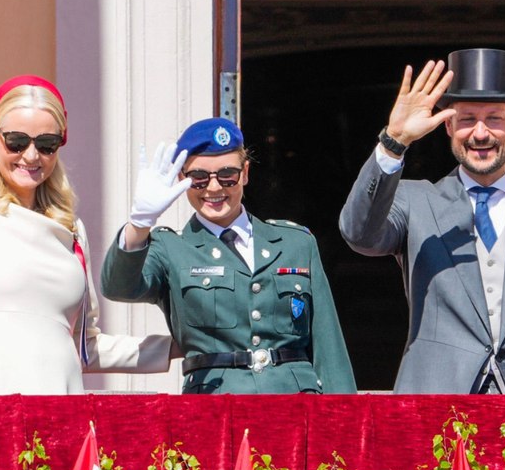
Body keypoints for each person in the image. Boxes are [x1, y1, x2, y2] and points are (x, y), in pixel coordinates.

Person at [339, 48, 505, 393]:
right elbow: (360, 233)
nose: (480, 133)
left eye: (494, 118)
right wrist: (394, 142)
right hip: (435, 406)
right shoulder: (415, 201)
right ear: (447, 125)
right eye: (466, 119)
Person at [0, 77, 172, 394]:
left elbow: (84, 346)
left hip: (57, 393)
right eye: (16, 141)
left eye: (46, 144)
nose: (31, 156)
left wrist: (184, 345)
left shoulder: (72, 228)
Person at [101, 118, 356, 394]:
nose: (213, 188)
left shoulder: (296, 243)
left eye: (227, 175)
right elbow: (119, 287)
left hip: (295, 402)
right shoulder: (169, 248)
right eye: (198, 178)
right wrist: (140, 223)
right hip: (215, 405)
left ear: (245, 173)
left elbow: (328, 348)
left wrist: (342, 423)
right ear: (181, 180)